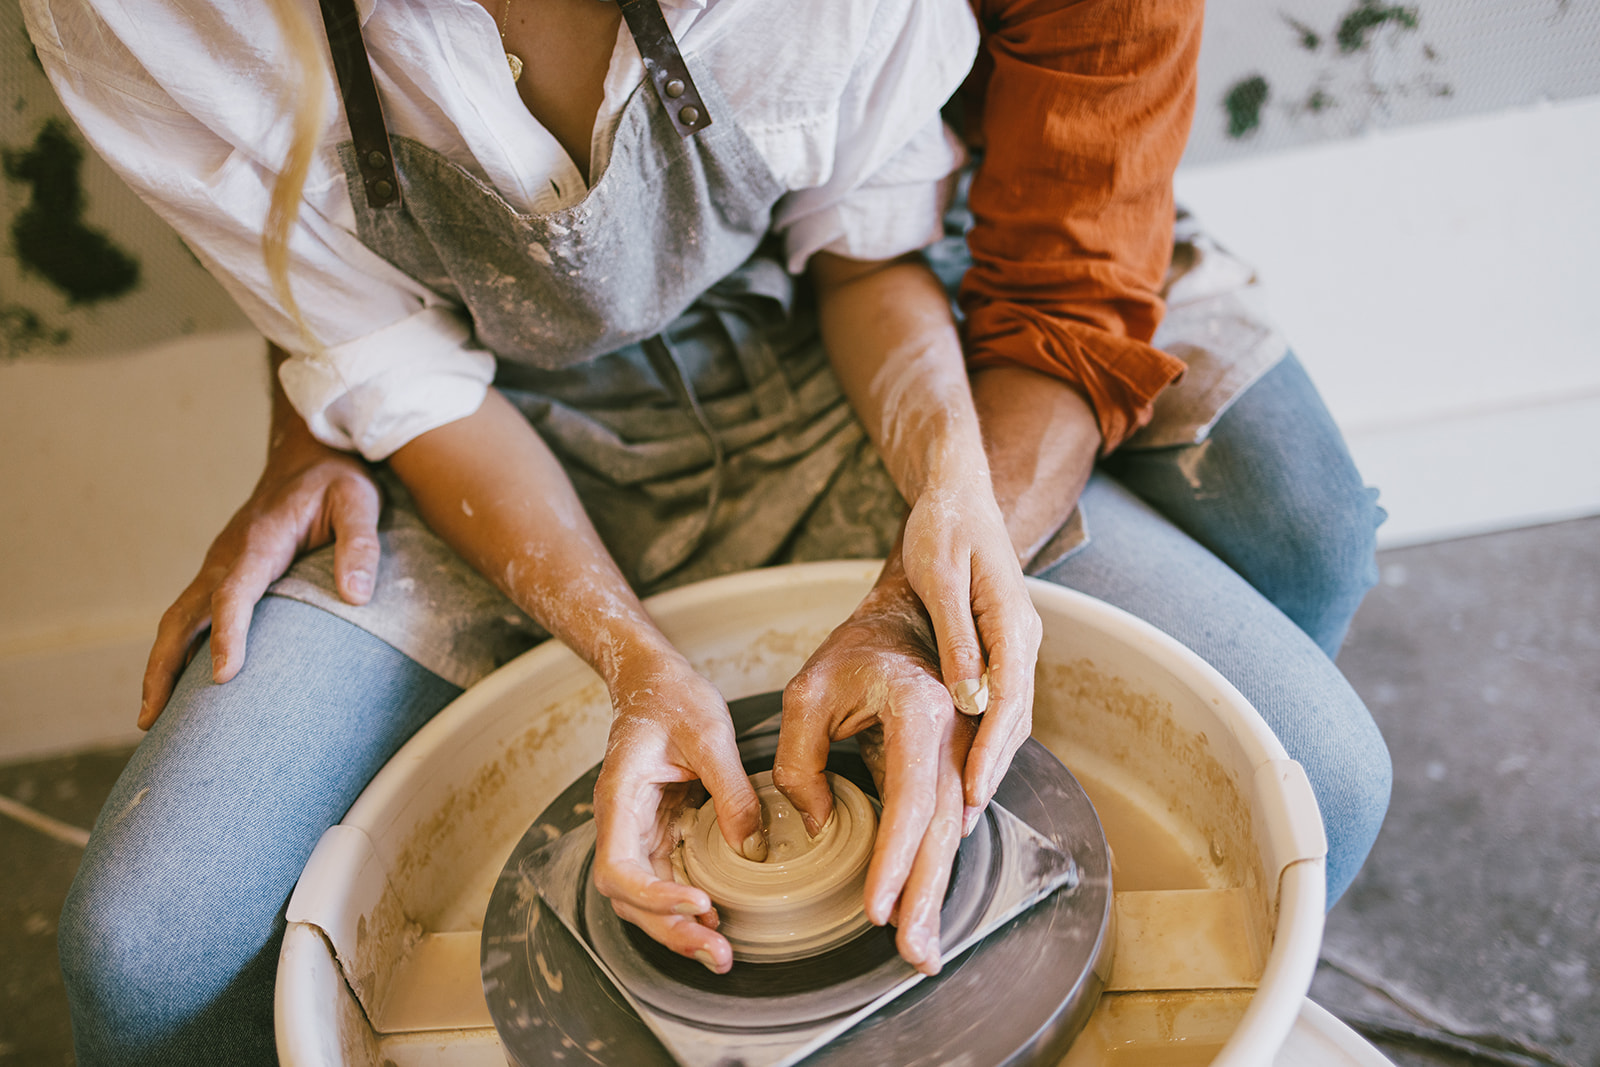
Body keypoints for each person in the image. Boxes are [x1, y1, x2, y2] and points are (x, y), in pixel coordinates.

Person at [24, 0, 1390, 1063]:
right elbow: (393, 371)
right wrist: (628, 660)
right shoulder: (154, 20)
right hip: (491, 430)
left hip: (817, 351)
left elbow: (879, 252)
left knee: (1319, 764)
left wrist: (941, 536)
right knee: (148, 951)